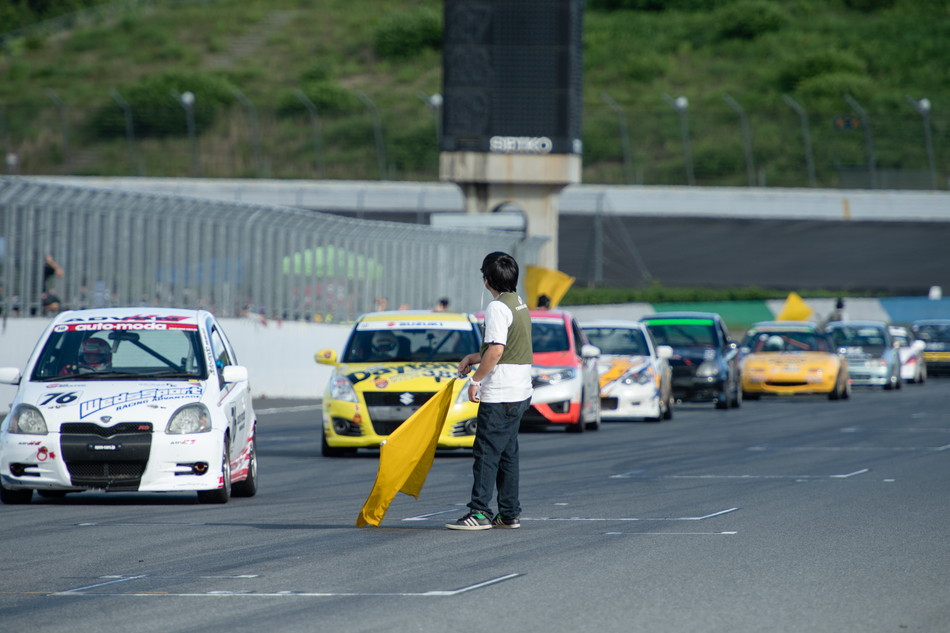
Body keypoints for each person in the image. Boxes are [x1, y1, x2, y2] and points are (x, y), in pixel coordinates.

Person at [448, 251, 533, 531]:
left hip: (501, 393)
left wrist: (476, 380)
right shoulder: (518, 303)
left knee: (485, 453)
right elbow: (501, 347)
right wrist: (473, 357)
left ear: (487, 280)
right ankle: (509, 513)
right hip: (520, 391)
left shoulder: (497, 308)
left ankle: (480, 512)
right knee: (508, 454)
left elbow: (497, 351)